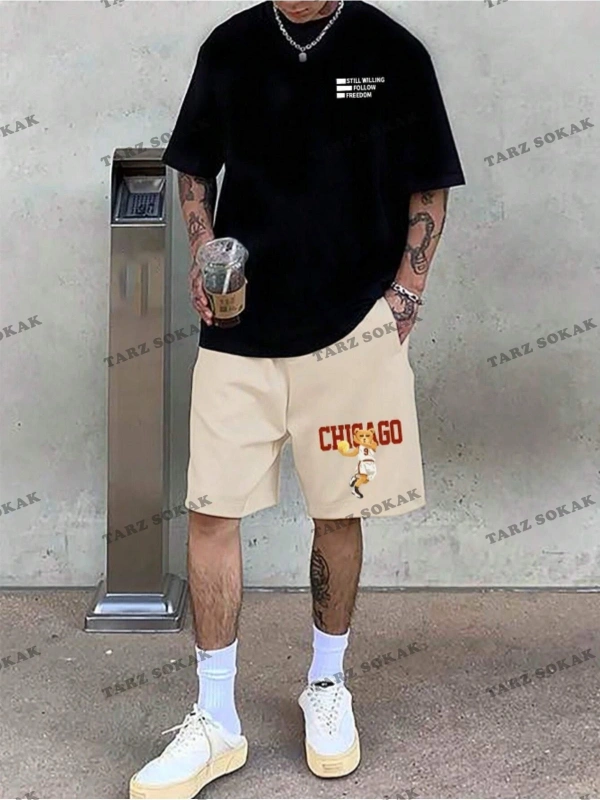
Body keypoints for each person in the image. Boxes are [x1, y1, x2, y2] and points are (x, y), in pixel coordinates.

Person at [129, 1, 465, 797]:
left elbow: (429, 184)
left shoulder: (393, 51)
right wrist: (204, 246)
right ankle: (217, 718)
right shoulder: (231, 46)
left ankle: (326, 683)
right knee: (211, 512)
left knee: (338, 514)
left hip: (351, 335)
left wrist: (406, 293)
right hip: (238, 329)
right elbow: (193, 166)